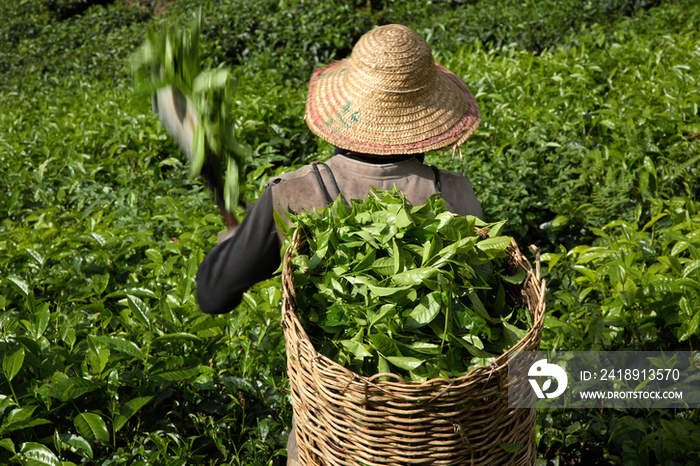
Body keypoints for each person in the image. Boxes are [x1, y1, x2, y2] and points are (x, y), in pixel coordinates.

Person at [195, 24, 483, 466]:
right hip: (442, 438)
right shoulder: (458, 194)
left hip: (337, 438)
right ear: (428, 118)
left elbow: (213, 296)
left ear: (346, 111)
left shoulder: (293, 195)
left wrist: (235, 240)